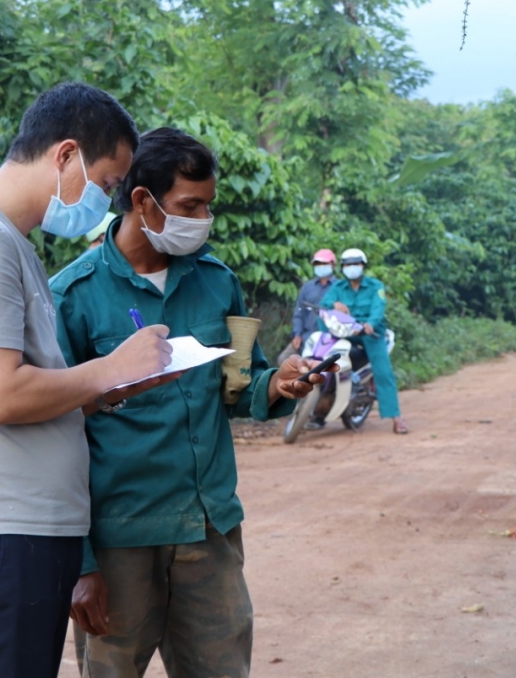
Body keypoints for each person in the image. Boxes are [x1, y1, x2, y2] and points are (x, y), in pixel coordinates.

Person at [0, 82, 175, 678]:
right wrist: (110, 367)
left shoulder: (12, 245)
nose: (108, 203)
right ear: (65, 155)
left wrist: (104, 392)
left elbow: (27, 392)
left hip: (18, 539)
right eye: (107, 183)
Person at [50, 127, 321, 678]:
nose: (202, 220)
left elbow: (238, 384)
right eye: (188, 206)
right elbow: (53, 436)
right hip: (119, 540)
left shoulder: (216, 282)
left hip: (209, 533)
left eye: (207, 206)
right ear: (143, 201)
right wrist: (79, 564)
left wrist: (279, 385)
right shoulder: (73, 297)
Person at [321, 248, 408, 434]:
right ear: (342, 268)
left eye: (356, 264)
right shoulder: (337, 288)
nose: (352, 268)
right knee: (322, 355)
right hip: (346, 331)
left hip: (370, 333)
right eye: (347, 264)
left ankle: (396, 418)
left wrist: (370, 323)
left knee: (383, 372)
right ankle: (315, 411)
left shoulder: (375, 286)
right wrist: (333, 305)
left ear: (363, 266)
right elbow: (324, 305)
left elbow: (378, 308)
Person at [277, 248, 338, 365]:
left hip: (329, 339)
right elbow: (298, 314)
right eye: (317, 264)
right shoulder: (307, 288)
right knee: (284, 360)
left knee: (318, 368)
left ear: (333, 265)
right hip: (306, 337)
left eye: (324, 263)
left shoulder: (340, 287)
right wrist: (297, 334)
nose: (321, 266)